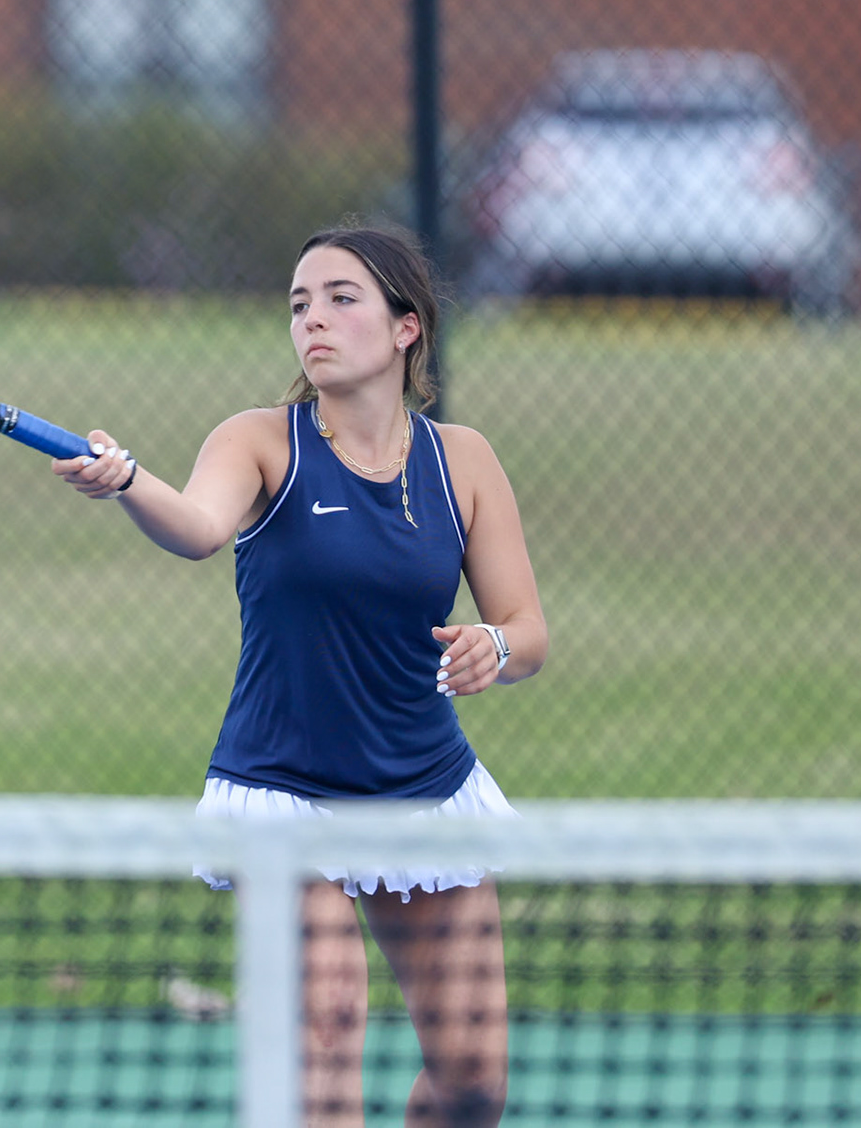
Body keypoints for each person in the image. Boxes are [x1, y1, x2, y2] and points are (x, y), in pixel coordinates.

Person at [53, 219, 547, 1128]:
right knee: (325, 1029)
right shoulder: (260, 441)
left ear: (407, 327)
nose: (311, 318)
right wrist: (128, 481)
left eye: (339, 298)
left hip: (424, 789)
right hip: (283, 793)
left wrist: (499, 647)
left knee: (475, 1085)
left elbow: (528, 627)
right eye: (298, 303)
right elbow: (198, 527)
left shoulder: (463, 460)